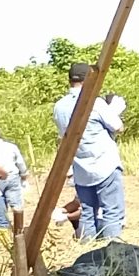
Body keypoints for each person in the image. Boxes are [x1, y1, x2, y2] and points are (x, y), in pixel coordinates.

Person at [52, 63, 125, 241]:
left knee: (87, 211)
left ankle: (86, 250)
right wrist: (114, 110)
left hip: (81, 167)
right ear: (90, 79)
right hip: (104, 163)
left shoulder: (59, 106)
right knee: (112, 211)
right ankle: (111, 252)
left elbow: (65, 137)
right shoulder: (95, 102)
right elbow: (118, 127)